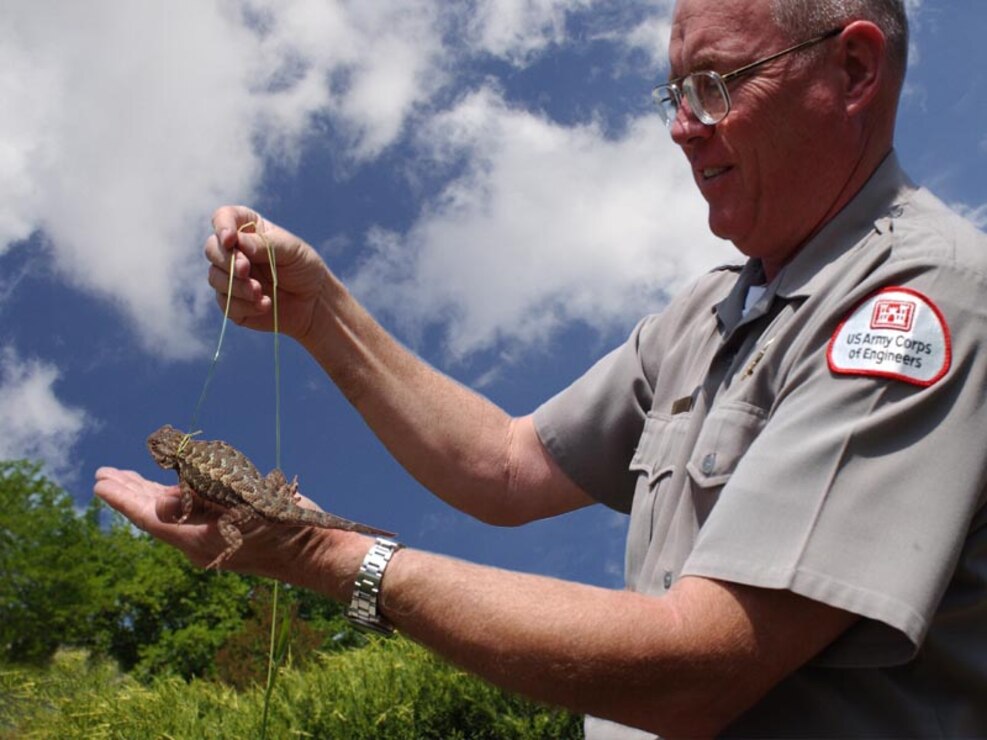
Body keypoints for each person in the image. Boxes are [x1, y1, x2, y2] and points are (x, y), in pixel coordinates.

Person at [95, 0, 987, 736]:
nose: (681, 129)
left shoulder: (921, 299)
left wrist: (324, 554)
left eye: (713, 87)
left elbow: (699, 668)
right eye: (673, 94)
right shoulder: (700, 316)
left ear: (854, 71)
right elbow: (506, 467)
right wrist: (320, 313)